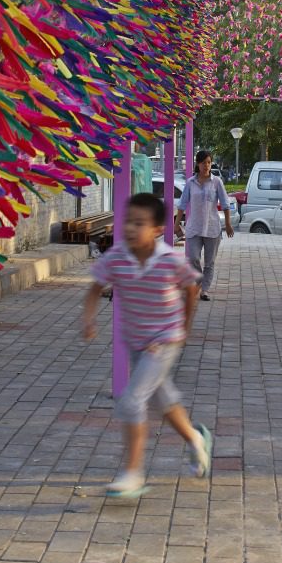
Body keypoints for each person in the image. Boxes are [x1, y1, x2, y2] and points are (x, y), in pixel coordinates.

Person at [82, 192, 212, 498]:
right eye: (127, 221)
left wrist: (184, 326)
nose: (130, 228)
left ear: (156, 229)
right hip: (136, 341)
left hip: (164, 341)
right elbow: (95, 287)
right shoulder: (117, 256)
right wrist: (88, 320)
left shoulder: (169, 259)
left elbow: (191, 288)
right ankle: (196, 439)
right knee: (163, 400)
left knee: (131, 401)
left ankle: (133, 474)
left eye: (139, 223)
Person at [176, 150, 233, 302]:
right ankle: (200, 282)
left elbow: (225, 204)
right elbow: (182, 205)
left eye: (209, 162)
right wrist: (176, 225)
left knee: (209, 263)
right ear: (198, 164)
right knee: (192, 258)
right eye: (203, 163)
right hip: (194, 227)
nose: (206, 165)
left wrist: (228, 224)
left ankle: (205, 290)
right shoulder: (190, 183)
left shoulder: (217, 182)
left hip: (212, 228)